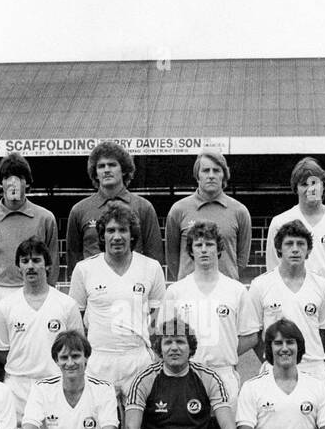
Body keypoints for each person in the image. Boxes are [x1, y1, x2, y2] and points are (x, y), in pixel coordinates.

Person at [68, 204, 166, 398]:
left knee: (138, 425)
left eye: (123, 230)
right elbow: (74, 321)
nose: (117, 236)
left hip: (138, 359)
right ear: (102, 235)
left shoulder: (151, 268)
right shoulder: (84, 269)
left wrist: (155, 357)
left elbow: (159, 320)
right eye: (111, 230)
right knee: (100, 425)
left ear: (132, 235)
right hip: (98, 360)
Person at [159, 220, 258, 397]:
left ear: (219, 249)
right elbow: (163, 335)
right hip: (187, 373)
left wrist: (224, 351)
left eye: (209, 244)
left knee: (226, 425)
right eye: (198, 245)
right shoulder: (176, 291)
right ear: (191, 251)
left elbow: (250, 336)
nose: (204, 249)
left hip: (224, 373)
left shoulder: (236, 290)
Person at [0, 236, 83, 418]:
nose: (30, 266)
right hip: (17, 388)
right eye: (25, 261)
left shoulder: (67, 305)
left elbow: (78, 350)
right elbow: (2, 353)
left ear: (47, 265)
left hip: (56, 385)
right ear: (19, 267)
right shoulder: (5, 306)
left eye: (36, 260)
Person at [243, 219, 325, 386]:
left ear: (309, 249)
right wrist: (273, 360)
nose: (295, 249)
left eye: (300, 244)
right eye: (289, 244)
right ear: (279, 248)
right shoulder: (260, 285)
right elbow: (256, 334)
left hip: (313, 369)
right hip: (275, 370)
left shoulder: (323, 286)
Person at [70, 141, 164, 278]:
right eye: (101, 166)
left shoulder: (144, 207)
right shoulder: (79, 210)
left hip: (134, 286)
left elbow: (154, 256)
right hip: (94, 289)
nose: (107, 170)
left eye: (112, 165)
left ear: (124, 169)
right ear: (95, 173)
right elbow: (73, 259)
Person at [0, 152, 59, 302]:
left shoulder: (45, 218)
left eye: (19, 178)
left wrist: (47, 292)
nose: (13, 183)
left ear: (27, 182)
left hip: (34, 289)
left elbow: (52, 260)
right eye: (7, 178)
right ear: (1, 183)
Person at [264, 157, 325, 288]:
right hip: (294, 297)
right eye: (304, 184)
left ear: (324, 185)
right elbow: (273, 269)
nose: (310, 189)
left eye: (314, 183)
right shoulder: (280, 222)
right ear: (295, 188)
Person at [164, 148, 250, 281]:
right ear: (197, 176)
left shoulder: (240, 211)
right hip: (189, 294)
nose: (211, 175)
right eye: (205, 170)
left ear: (224, 175)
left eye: (216, 170)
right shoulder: (178, 210)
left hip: (226, 294)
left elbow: (242, 259)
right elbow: (172, 257)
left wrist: (224, 281)